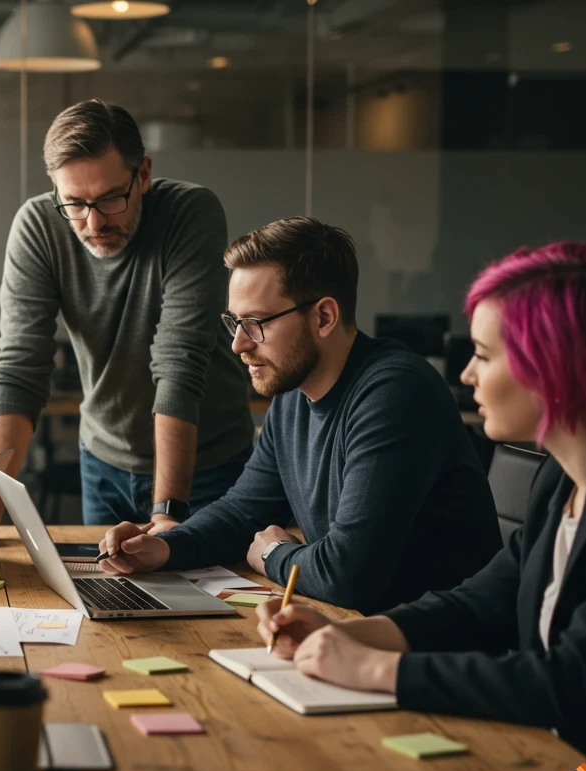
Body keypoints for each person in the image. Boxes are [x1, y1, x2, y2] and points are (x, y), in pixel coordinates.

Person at [254, 241, 586, 771]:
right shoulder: (562, 477)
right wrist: (354, 636)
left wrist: (374, 670)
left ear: (553, 365)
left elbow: (573, 681)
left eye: (484, 355)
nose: (466, 375)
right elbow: (481, 604)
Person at [99, 217, 500, 612]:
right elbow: (244, 511)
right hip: (355, 634)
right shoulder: (294, 391)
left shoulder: (394, 393)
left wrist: (274, 554)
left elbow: (347, 576)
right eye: (233, 322)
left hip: (430, 651)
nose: (238, 344)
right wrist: (165, 548)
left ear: (324, 317)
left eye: (255, 323)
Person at [0, 98, 254, 542]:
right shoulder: (39, 226)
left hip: (206, 468)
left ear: (143, 175)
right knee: (105, 601)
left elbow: (179, 362)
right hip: (103, 461)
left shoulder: (190, 213)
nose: (94, 222)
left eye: (109, 198)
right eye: (75, 204)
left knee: (209, 602)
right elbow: (19, 367)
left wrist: (167, 513)